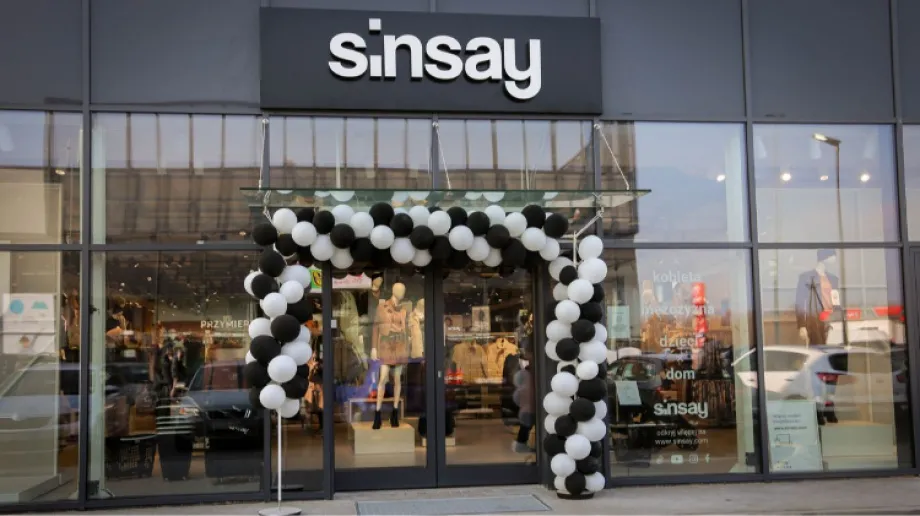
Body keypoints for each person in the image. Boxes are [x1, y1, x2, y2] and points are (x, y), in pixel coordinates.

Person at [511, 342, 535, 453]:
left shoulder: (529, 371)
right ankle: (521, 445)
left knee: (526, 427)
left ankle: (521, 445)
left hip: (527, 406)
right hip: (528, 406)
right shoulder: (528, 372)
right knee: (526, 426)